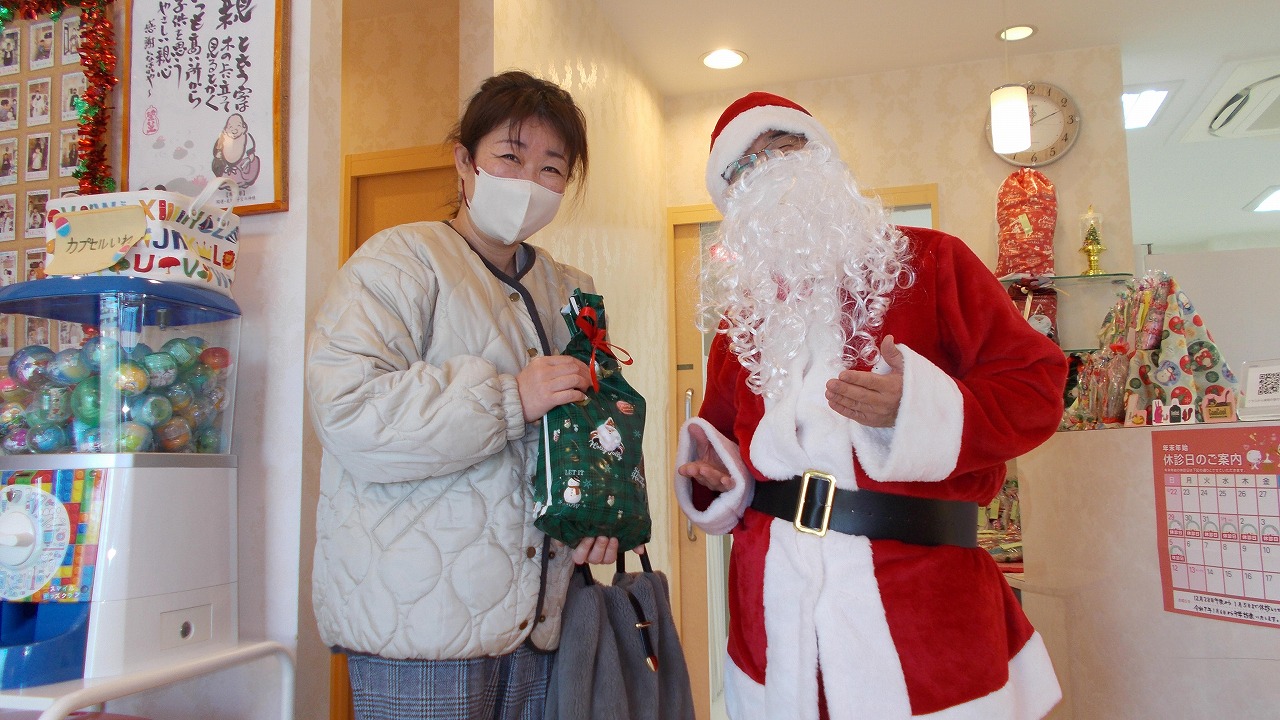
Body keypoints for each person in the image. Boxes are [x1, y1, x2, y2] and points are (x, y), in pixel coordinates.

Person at [675, 92, 1068, 720]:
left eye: (783, 147)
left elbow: (1036, 384)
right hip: (776, 607)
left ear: (822, 156)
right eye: (744, 166)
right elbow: (724, 437)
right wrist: (718, 471)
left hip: (921, 601)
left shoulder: (932, 260)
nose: (770, 170)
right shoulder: (742, 319)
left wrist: (918, 409)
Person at [306, 70, 626, 720]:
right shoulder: (398, 262)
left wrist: (603, 512)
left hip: (543, 622)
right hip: (422, 623)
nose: (529, 181)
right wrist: (510, 399)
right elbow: (349, 411)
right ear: (464, 161)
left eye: (551, 168)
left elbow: (597, 421)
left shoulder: (569, 288)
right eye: (510, 156)